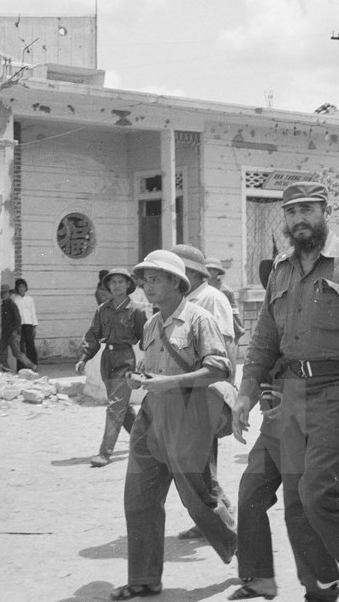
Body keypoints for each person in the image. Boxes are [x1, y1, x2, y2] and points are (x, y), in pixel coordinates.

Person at [233, 182, 339, 602]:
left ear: (324, 211)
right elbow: (265, 337)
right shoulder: (282, 268)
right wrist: (246, 391)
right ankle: (320, 587)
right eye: (290, 212)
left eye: (306, 209)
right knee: (293, 499)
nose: (298, 219)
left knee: (316, 490)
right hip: (290, 391)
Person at [110, 250, 235, 601]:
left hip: (189, 418)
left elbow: (220, 368)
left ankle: (244, 550)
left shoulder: (199, 319)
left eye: (155, 279)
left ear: (176, 283)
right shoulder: (151, 324)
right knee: (139, 499)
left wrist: (170, 383)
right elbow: (154, 369)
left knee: (200, 501)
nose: (147, 286)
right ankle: (144, 580)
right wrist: (142, 379)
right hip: (152, 418)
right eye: (145, 280)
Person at [171, 244, 236, 541]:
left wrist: (222, 389)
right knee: (198, 458)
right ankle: (214, 514)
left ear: (196, 274)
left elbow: (224, 348)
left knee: (198, 457)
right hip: (188, 388)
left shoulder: (210, 298)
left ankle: (222, 518)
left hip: (205, 388)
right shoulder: (187, 301)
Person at [75, 268, 147, 467]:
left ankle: (105, 453)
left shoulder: (136, 311)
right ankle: (146, 443)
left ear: (128, 285)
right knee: (121, 406)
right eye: (113, 282)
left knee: (115, 405)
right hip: (107, 359)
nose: (116, 286)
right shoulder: (102, 310)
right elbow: (92, 336)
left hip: (125, 359)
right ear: (108, 286)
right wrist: (83, 358)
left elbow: (147, 339)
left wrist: (146, 360)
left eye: (120, 282)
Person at [205, 256, 246, 345]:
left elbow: (233, 314)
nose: (208, 272)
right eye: (206, 269)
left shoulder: (226, 291)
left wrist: (237, 332)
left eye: (211, 269)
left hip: (222, 330)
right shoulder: (201, 289)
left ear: (217, 272)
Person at [0, 282, 36, 372]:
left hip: (12, 334)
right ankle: (5, 369)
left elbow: (18, 319)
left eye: (5, 293)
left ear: (9, 294)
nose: (3, 295)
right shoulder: (3, 306)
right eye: (2, 293)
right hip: (5, 334)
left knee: (17, 354)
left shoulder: (12, 305)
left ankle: (32, 366)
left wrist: (17, 333)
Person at [13, 278, 39, 370]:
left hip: (28, 324)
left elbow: (33, 312)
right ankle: (21, 366)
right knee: (20, 345)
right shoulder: (15, 299)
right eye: (20, 287)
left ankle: (33, 364)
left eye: (23, 287)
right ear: (17, 288)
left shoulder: (29, 299)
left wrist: (34, 326)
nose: (22, 289)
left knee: (30, 344)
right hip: (18, 325)